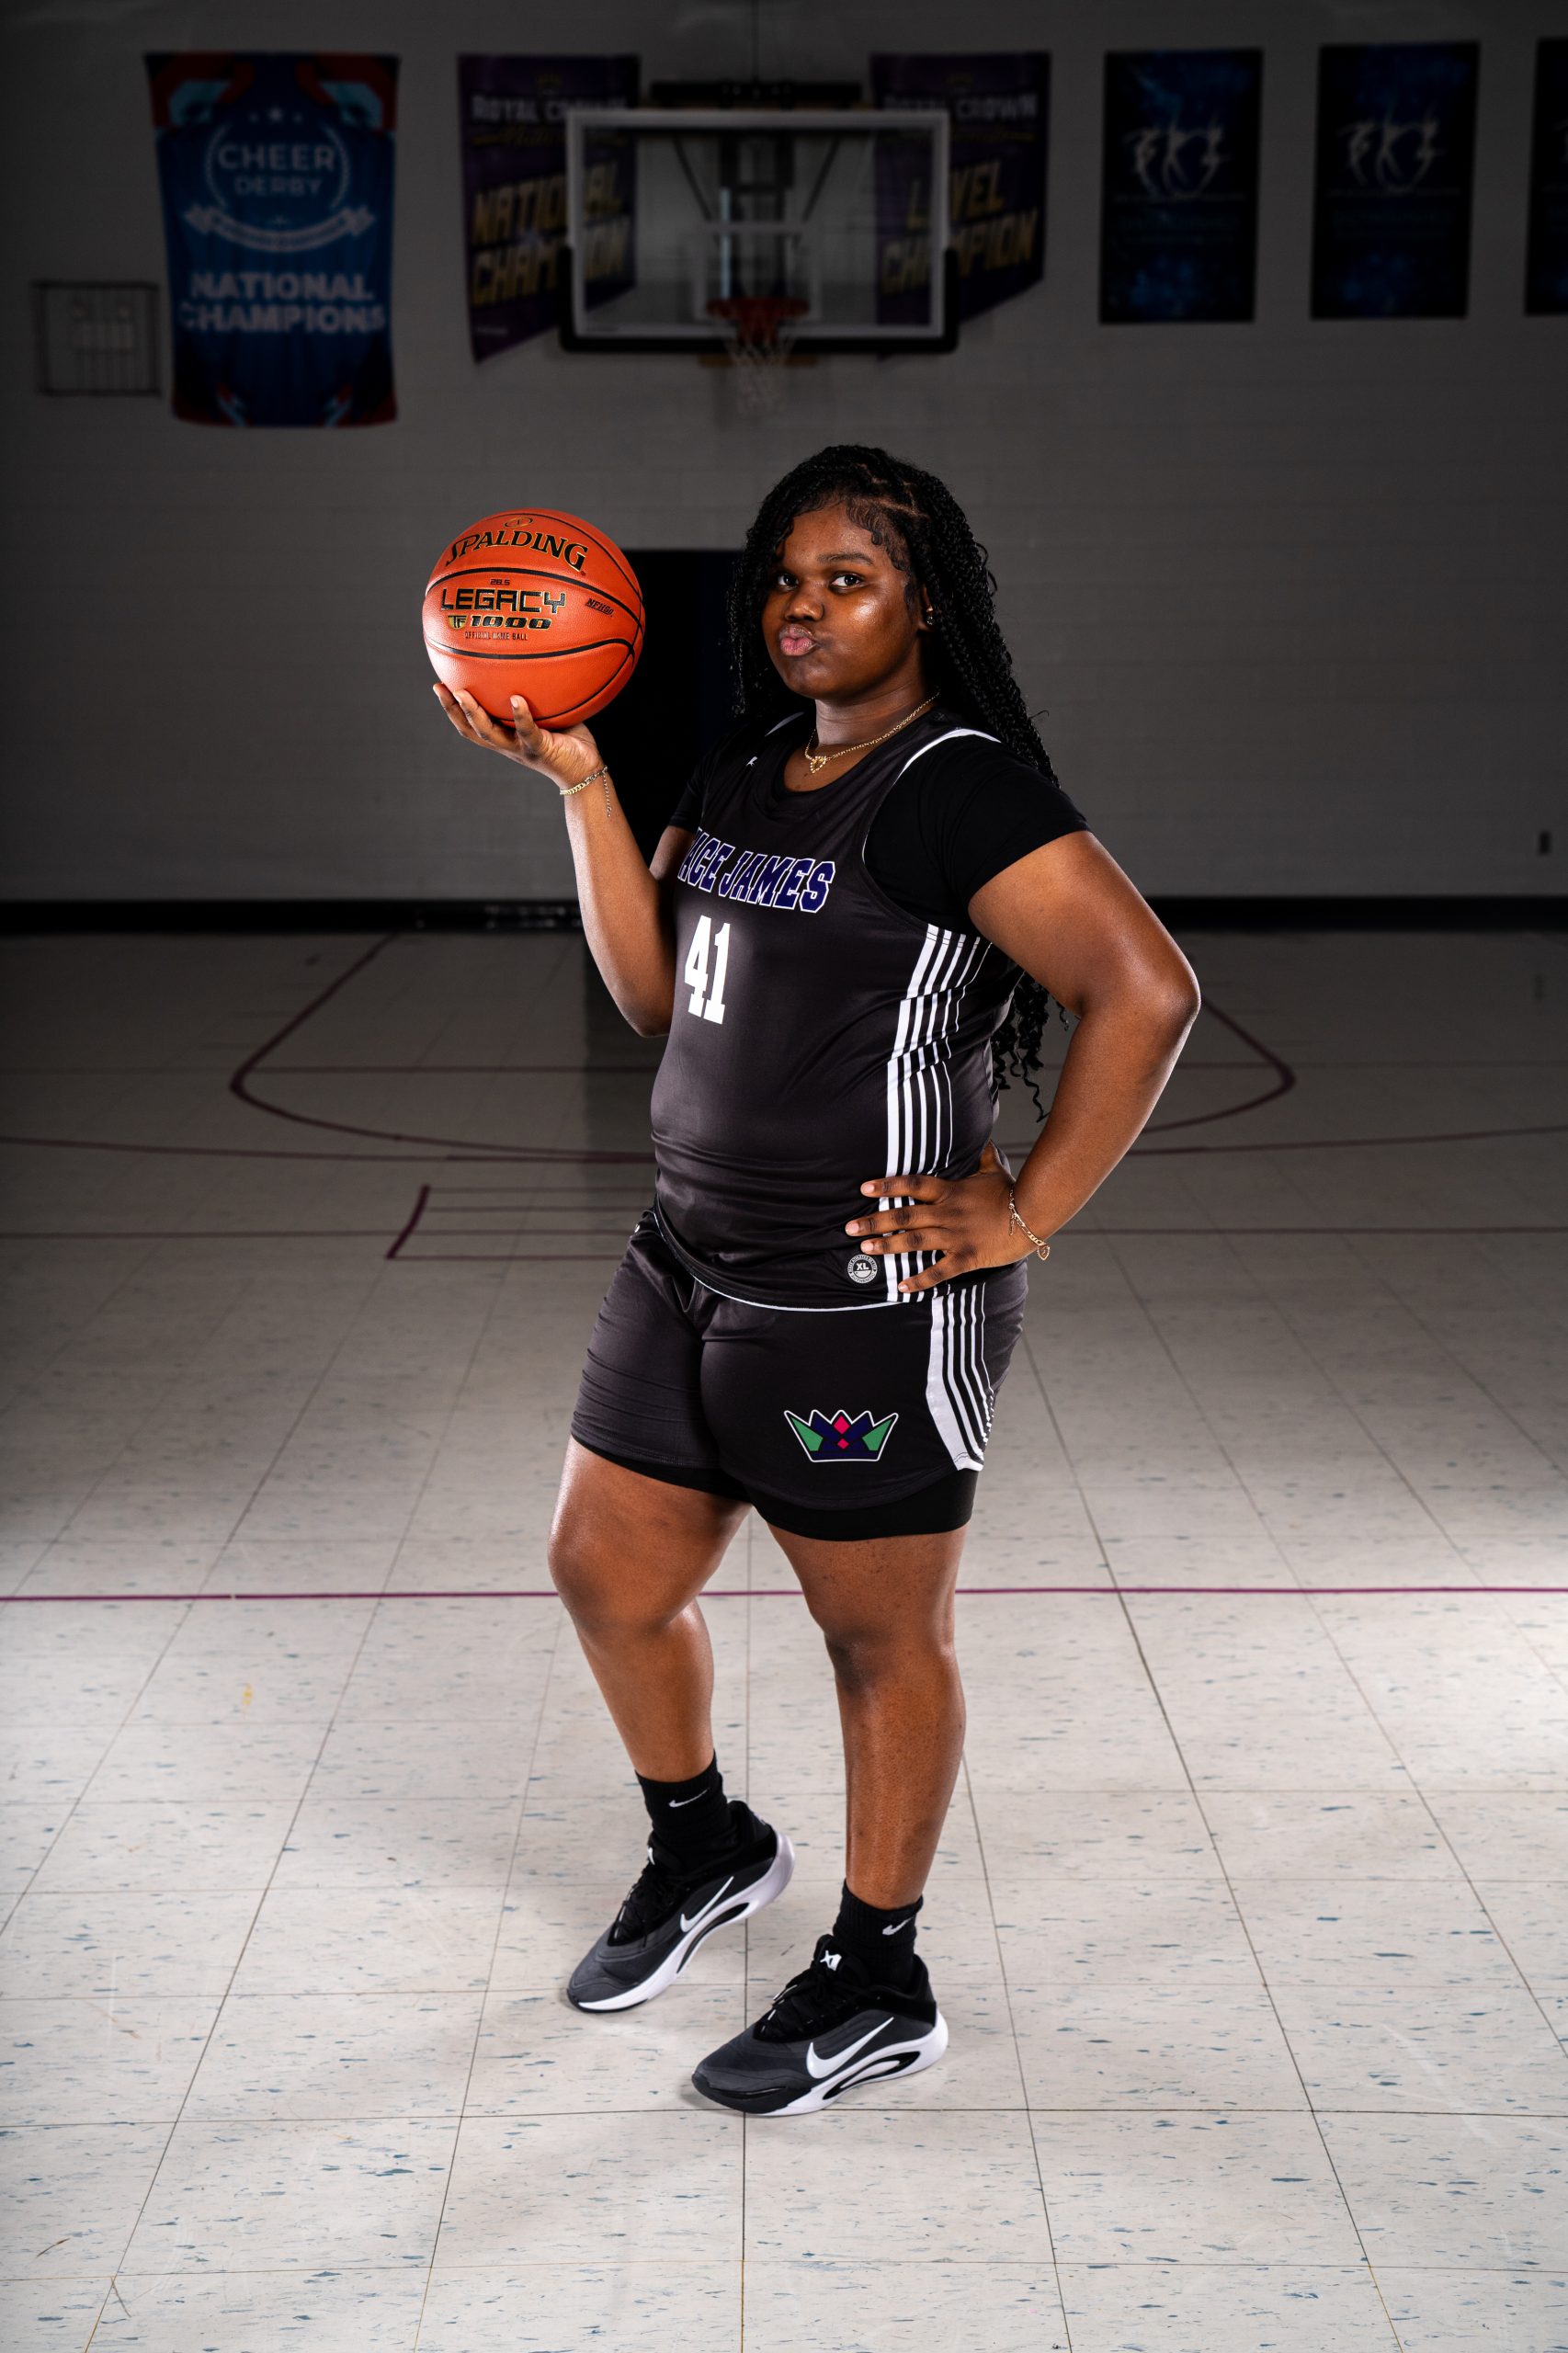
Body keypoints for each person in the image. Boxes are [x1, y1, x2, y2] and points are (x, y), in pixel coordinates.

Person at [434, 443, 1199, 2117]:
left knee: (875, 1640)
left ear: (925, 604)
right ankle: (705, 1845)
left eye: (846, 579)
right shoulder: (743, 764)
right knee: (603, 1573)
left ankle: (877, 1976)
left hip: (860, 1298)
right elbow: (657, 998)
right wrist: (582, 787)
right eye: (785, 579)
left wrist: (1026, 1212)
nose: (802, 607)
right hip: (684, 1256)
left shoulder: (958, 789)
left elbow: (1144, 990)